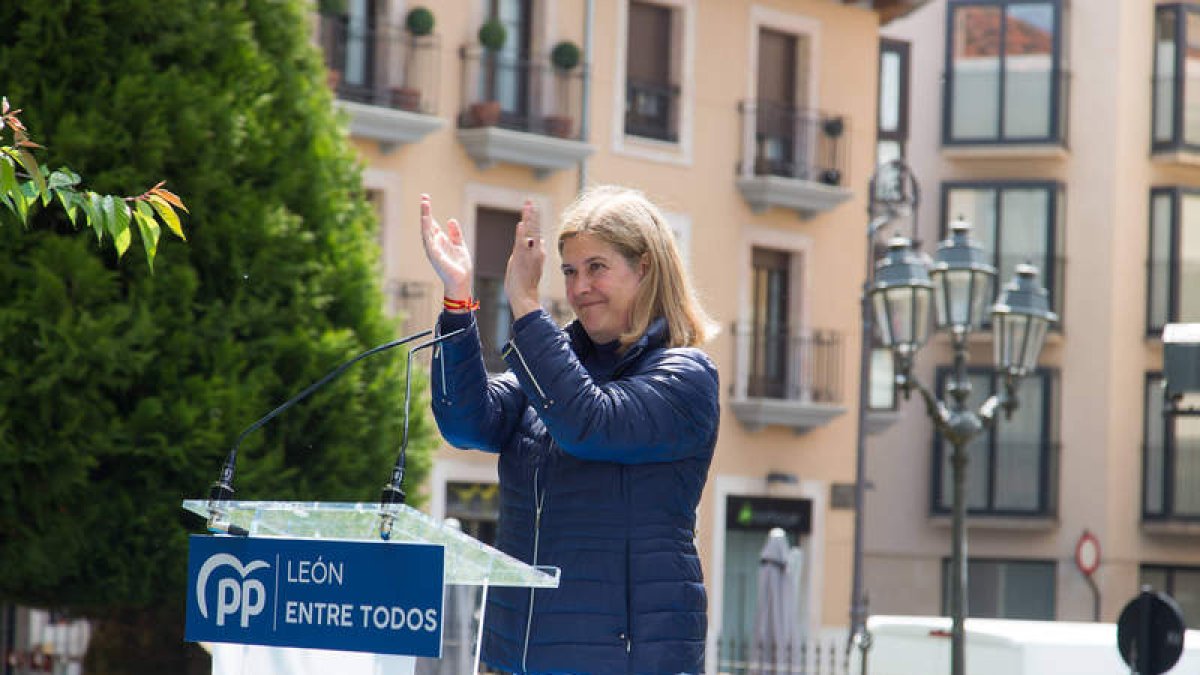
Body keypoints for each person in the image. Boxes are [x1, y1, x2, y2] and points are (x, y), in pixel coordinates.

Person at [419, 185, 720, 674]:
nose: (579, 288)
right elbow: (465, 423)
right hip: (514, 659)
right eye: (569, 271)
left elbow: (587, 424)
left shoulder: (686, 376)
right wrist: (457, 299)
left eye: (596, 267)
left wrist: (525, 303)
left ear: (644, 267)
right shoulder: (552, 370)